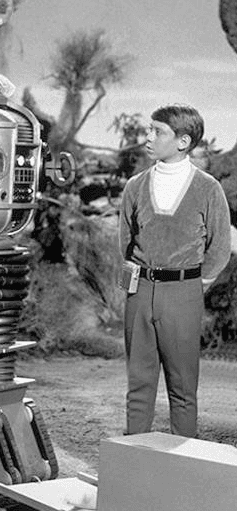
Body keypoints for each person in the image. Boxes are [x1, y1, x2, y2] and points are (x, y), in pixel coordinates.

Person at [119, 104, 231, 438]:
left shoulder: (207, 188)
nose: (148, 137)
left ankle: (182, 457)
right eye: (149, 129)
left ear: (183, 141)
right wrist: (135, 286)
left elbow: (220, 247)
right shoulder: (135, 186)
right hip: (140, 292)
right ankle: (135, 456)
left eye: (158, 132)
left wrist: (196, 285)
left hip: (184, 293)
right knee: (139, 385)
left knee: (182, 387)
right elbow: (125, 242)